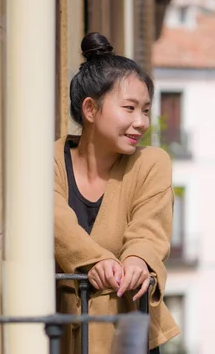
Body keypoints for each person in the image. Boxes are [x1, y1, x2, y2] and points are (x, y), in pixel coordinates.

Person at [53, 32, 179, 353]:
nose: (141, 122)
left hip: (129, 338)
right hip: (64, 337)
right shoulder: (49, 162)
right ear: (91, 109)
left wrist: (138, 259)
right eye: (129, 108)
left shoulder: (152, 163)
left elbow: (150, 229)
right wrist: (92, 260)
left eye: (146, 110)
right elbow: (53, 219)